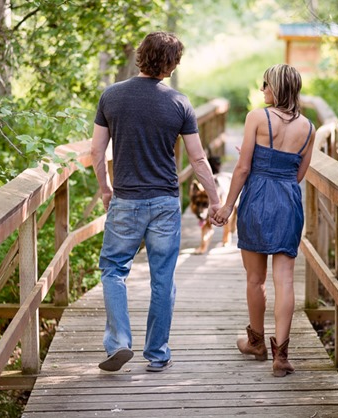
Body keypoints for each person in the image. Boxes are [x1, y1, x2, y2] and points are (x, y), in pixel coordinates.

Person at [91, 31, 222, 373]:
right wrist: (216, 197)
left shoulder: (111, 96)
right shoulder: (179, 102)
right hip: (164, 201)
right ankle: (158, 354)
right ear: (171, 64)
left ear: (141, 56)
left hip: (126, 200)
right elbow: (197, 159)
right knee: (163, 278)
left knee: (113, 270)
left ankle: (119, 342)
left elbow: (96, 150)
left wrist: (105, 188)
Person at [213, 64, 315, 377]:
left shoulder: (258, 117)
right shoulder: (309, 128)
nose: (262, 90)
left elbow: (242, 169)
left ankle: (256, 342)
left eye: (266, 85)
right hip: (287, 202)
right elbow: (298, 174)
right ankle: (281, 356)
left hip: (257, 199)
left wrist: (227, 206)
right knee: (284, 279)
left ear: (278, 88)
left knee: (255, 279)